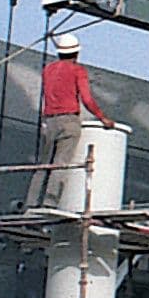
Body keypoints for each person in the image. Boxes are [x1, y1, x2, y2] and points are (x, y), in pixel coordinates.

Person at [32, 32, 116, 209]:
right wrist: (103, 118)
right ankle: (49, 202)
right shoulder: (78, 70)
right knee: (60, 163)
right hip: (68, 120)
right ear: (77, 53)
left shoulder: (48, 70)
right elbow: (86, 99)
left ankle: (31, 204)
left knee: (43, 165)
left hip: (50, 121)